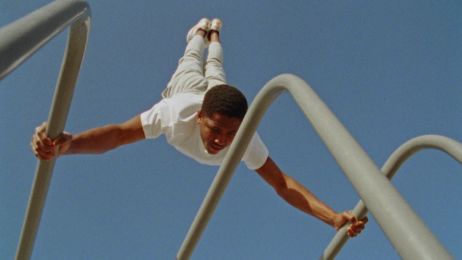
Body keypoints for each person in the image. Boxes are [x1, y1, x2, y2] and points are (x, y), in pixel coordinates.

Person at [31, 18, 367, 237]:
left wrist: (333, 218)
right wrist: (67, 144)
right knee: (192, 60)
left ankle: (216, 34)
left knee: (217, 66)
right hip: (188, 89)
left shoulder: (243, 138)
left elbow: (282, 184)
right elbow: (120, 134)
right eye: (215, 130)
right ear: (200, 119)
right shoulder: (175, 113)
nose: (221, 141)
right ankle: (198, 33)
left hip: (216, 93)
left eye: (230, 134)